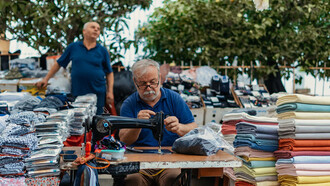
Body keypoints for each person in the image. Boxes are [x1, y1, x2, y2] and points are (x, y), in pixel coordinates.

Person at [119, 59, 198, 186]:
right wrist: (137, 124)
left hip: (169, 162)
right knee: (133, 181)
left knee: (173, 180)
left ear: (160, 78)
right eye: (143, 83)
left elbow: (194, 130)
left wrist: (178, 128)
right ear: (135, 82)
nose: (149, 88)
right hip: (140, 162)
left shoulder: (174, 99)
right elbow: (123, 139)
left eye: (153, 82)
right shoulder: (129, 104)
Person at [36, 22, 114, 114]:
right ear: (84, 31)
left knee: (97, 119)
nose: (96, 29)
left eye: (98, 28)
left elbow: (109, 73)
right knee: (79, 120)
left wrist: (110, 92)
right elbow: (59, 63)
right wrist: (46, 79)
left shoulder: (102, 50)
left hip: (98, 92)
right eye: (93, 27)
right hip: (78, 91)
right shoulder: (73, 47)